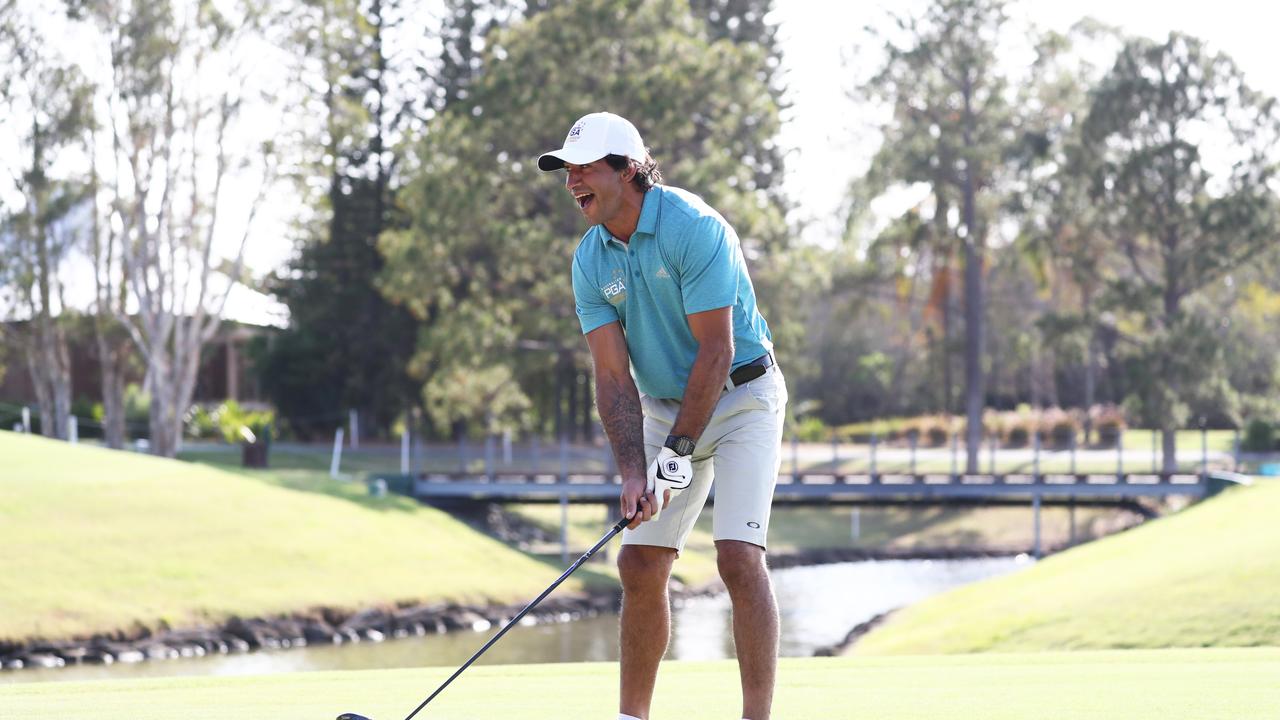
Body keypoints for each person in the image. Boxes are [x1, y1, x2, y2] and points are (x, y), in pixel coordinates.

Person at [538, 112, 787, 720]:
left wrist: (676, 454)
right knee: (639, 560)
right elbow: (613, 377)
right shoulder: (590, 259)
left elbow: (717, 350)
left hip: (741, 398)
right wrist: (633, 471)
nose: (572, 182)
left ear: (628, 170)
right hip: (663, 405)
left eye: (586, 168)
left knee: (737, 556)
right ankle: (632, 718)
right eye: (567, 171)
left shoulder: (692, 228)